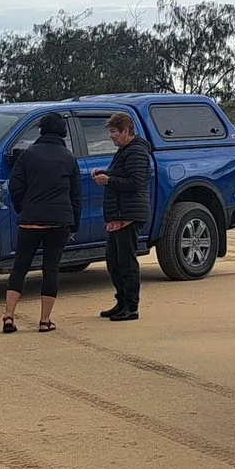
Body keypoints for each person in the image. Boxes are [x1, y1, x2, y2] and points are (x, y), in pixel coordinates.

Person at [3, 113, 78, 334]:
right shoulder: (69, 158)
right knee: (51, 269)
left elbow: (14, 185)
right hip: (60, 221)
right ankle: (45, 321)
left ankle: (9, 316)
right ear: (63, 132)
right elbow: (76, 195)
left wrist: (23, 209)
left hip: (31, 221)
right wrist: (74, 225)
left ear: (41, 131)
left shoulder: (27, 156)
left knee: (20, 267)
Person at [93, 112, 151, 321]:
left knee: (126, 262)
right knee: (114, 261)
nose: (112, 137)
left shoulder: (136, 152)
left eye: (114, 133)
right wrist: (106, 175)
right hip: (118, 213)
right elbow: (123, 176)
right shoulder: (124, 151)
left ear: (126, 131)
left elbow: (135, 183)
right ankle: (122, 301)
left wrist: (108, 181)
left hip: (129, 213)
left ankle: (131, 306)